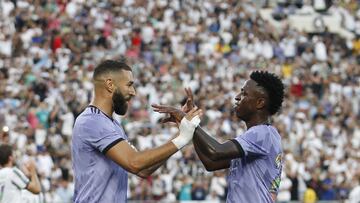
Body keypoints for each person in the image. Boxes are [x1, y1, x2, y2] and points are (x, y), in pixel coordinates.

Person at [71, 60, 202, 203]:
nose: (133, 92)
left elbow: (143, 170)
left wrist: (180, 132)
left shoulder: (111, 124)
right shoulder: (92, 121)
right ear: (110, 85)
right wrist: (183, 137)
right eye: (129, 85)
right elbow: (134, 163)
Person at [152, 70, 285, 202]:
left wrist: (189, 122)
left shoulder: (262, 134)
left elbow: (215, 151)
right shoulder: (263, 136)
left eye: (244, 93)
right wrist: (189, 124)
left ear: (260, 103)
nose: (237, 97)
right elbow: (211, 163)